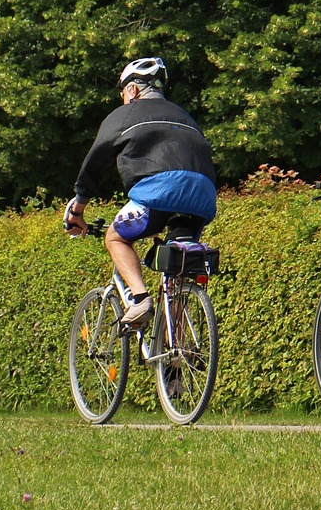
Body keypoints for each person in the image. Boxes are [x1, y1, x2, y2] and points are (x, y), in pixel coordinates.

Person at [64, 57, 218, 326]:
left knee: (115, 238)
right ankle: (176, 358)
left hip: (160, 191)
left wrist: (78, 207)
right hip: (202, 195)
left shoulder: (125, 115)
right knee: (178, 270)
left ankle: (140, 299)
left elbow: (94, 162)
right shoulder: (184, 115)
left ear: (132, 90)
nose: (123, 98)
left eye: (123, 92)